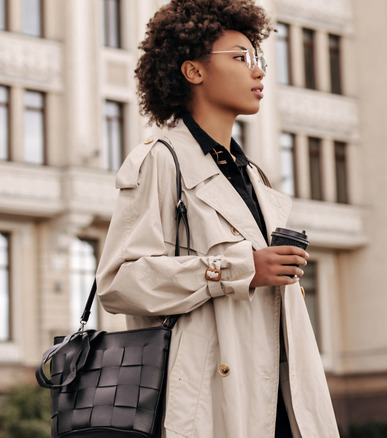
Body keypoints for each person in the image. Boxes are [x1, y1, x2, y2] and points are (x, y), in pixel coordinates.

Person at [95, 0, 339, 436]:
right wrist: (239, 270)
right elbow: (119, 282)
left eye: (258, 60)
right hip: (212, 405)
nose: (258, 72)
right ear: (194, 71)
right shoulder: (161, 160)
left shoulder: (254, 176)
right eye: (241, 58)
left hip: (282, 401)